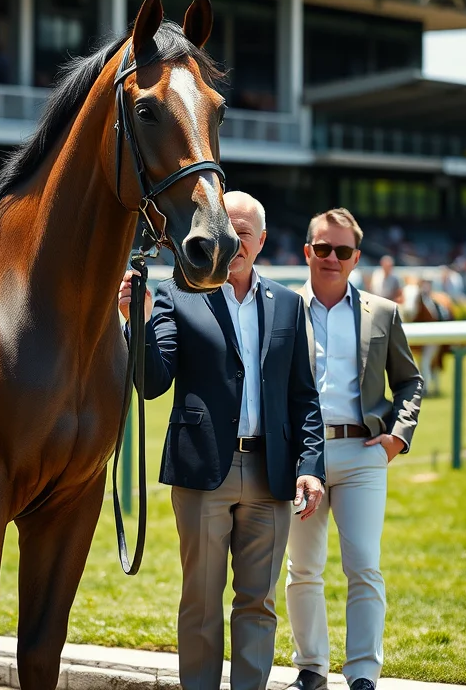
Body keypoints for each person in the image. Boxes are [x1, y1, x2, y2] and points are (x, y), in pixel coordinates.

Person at [117, 191, 325, 690]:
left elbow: (305, 398)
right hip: (202, 472)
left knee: (258, 603)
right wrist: (137, 319)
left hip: (270, 473)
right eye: (225, 232)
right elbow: (152, 383)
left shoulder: (290, 306)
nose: (233, 243)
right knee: (202, 601)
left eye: (244, 233)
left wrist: (310, 465)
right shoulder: (175, 294)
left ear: (261, 241)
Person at [285, 208, 423, 690]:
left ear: (356, 257)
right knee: (303, 568)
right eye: (322, 248)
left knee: (363, 564)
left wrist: (396, 437)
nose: (331, 258)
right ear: (308, 251)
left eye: (342, 251)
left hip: (364, 453)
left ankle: (363, 673)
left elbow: (410, 381)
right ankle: (310, 668)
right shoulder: (282, 307)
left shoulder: (382, 312)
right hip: (304, 457)